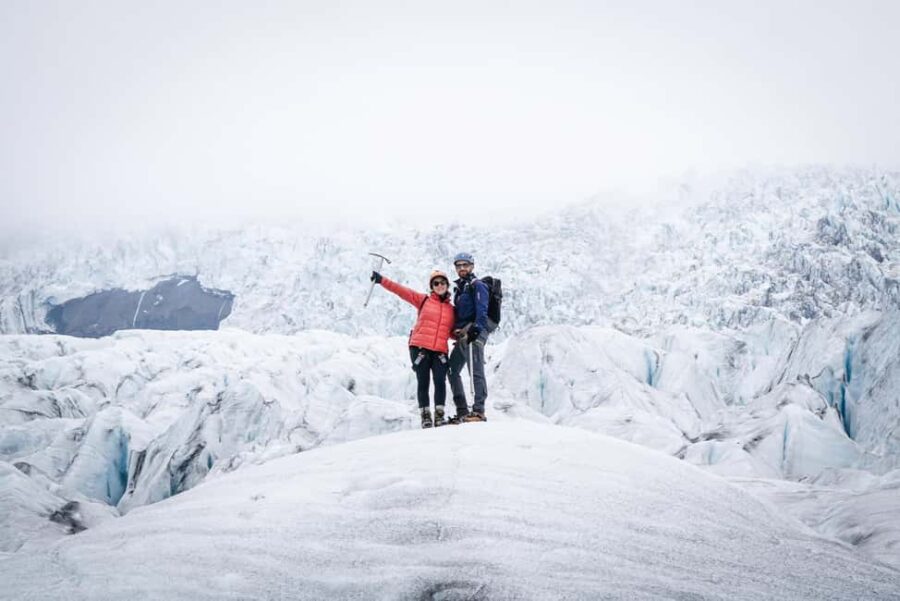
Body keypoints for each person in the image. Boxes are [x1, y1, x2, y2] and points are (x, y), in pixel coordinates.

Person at [371, 269, 455, 428]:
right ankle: (425, 417)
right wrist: (382, 280)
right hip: (420, 347)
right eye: (436, 283)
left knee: (440, 381)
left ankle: (439, 415)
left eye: (442, 282)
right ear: (432, 286)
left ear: (447, 285)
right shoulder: (423, 300)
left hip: (440, 350)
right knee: (423, 382)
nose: (439, 285)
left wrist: (464, 335)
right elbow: (401, 291)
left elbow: (451, 332)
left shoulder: (452, 310)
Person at [447, 252, 491, 423]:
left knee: (476, 370)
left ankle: (479, 410)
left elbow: (482, 310)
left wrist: (476, 329)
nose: (462, 268)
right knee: (452, 369)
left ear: (472, 266)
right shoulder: (460, 288)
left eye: (465, 265)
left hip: (474, 331)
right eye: (459, 266)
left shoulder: (477, 285)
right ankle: (463, 410)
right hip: (463, 334)